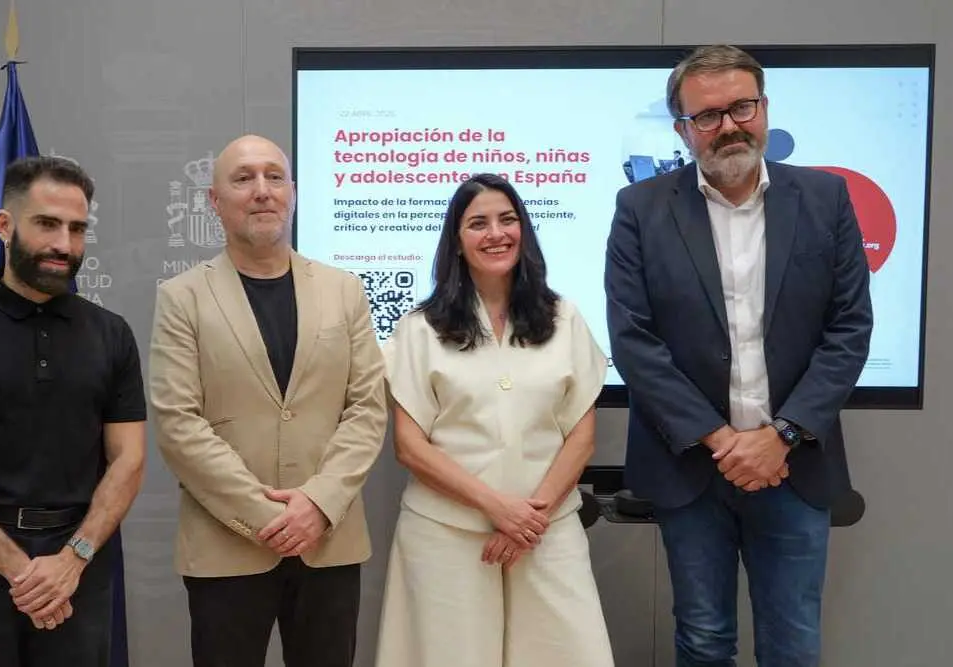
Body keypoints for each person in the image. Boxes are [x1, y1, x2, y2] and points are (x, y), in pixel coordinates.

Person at [605, 44, 873, 667]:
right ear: (682, 129)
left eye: (741, 107)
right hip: (692, 469)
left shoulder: (825, 199)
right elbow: (634, 339)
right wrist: (722, 440)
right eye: (707, 115)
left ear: (765, 108)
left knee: (794, 644)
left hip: (794, 464)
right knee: (702, 640)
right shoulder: (641, 209)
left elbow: (849, 328)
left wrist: (779, 435)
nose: (728, 126)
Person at [149, 134, 387, 667]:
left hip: (329, 540)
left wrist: (318, 505)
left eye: (274, 177)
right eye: (243, 178)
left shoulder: (343, 290)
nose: (262, 191)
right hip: (227, 547)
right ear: (214, 200)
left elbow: (368, 409)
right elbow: (178, 424)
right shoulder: (182, 297)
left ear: (293, 193)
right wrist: (267, 517)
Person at [0, 156, 147, 667]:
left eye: (77, 229)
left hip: (79, 569)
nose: (64, 244)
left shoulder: (112, 335)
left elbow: (128, 461)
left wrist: (70, 562)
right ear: (5, 226)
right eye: (47, 224)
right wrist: (23, 572)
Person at [374, 173, 615, 667]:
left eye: (508, 220)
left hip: (546, 531)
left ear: (524, 230)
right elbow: (410, 447)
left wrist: (528, 519)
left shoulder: (564, 318)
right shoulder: (420, 329)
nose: (496, 233)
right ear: (457, 242)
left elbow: (582, 437)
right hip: (446, 534)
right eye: (477, 223)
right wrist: (498, 509)